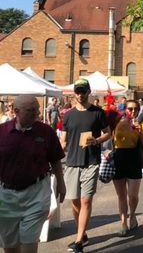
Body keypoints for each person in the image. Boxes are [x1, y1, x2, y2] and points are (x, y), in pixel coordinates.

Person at [0, 95, 66, 253]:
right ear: (16, 111)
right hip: (6, 196)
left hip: (36, 194)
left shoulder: (46, 132)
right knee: (10, 246)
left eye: (37, 110)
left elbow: (55, 160)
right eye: (30, 111)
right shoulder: (2, 132)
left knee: (29, 244)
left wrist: (61, 184)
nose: (36, 114)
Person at [60, 78, 111, 253]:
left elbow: (108, 134)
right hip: (72, 162)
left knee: (86, 200)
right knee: (74, 202)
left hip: (91, 162)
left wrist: (96, 140)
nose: (80, 94)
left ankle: (79, 241)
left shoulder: (98, 112)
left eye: (83, 91)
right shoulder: (67, 115)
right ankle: (83, 233)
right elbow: (63, 140)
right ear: (74, 93)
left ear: (89, 92)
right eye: (77, 91)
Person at [111, 100, 143, 236]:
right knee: (121, 196)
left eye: (135, 109)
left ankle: (132, 215)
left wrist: (139, 131)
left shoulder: (141, 125)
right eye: (130, 109)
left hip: (134, 159)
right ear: (125, 109)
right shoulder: (116, 122)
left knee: (132, 195)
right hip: (119, 158)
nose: (133, 112)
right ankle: (123, 223)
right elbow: (109, 138)